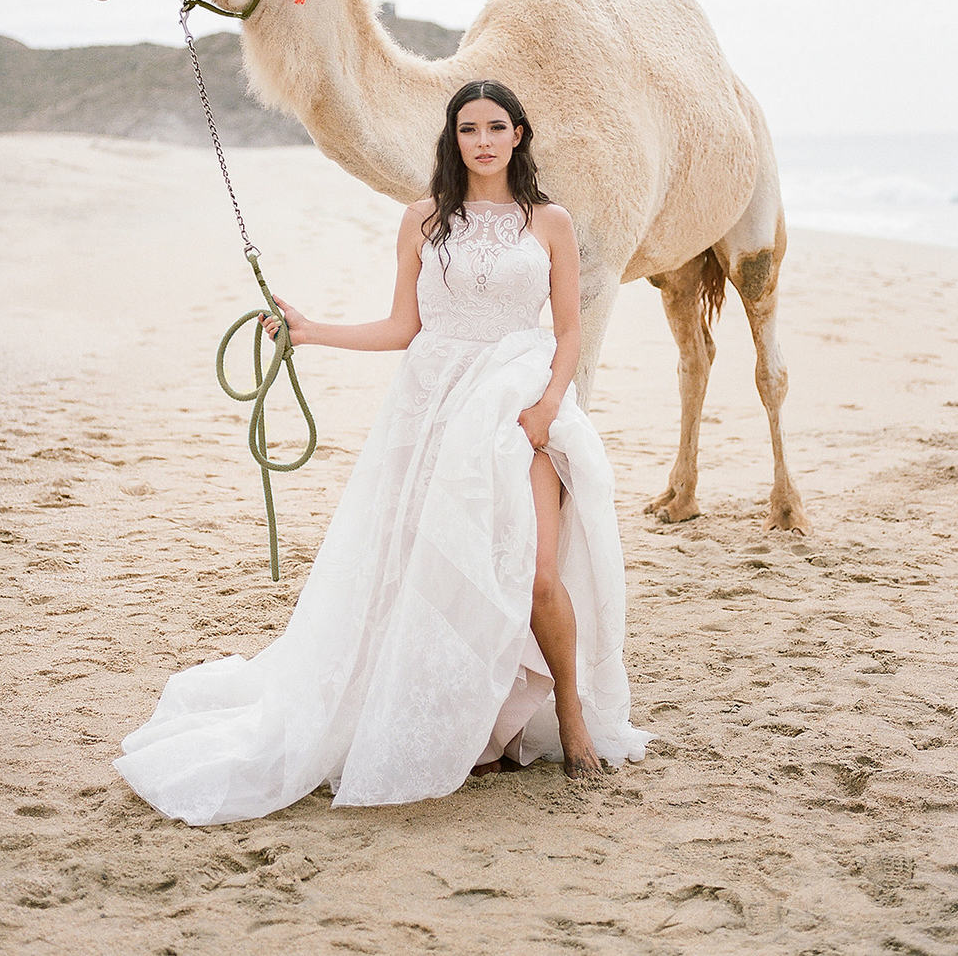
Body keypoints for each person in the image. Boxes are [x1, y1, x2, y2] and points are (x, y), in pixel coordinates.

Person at [114, 80, 649, 824]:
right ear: (453, 139)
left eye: (498, 127)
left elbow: (568, 332)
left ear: (519, 135)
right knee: (429, 568)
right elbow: (404, 327)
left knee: (537, 575)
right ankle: (470, 723)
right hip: (433, 404)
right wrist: (310, 330)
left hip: (518, 400)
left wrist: (551, 403)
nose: (484, 140)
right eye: (470, 128)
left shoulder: (549, 221)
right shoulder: (423, 220)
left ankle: (571, 712)